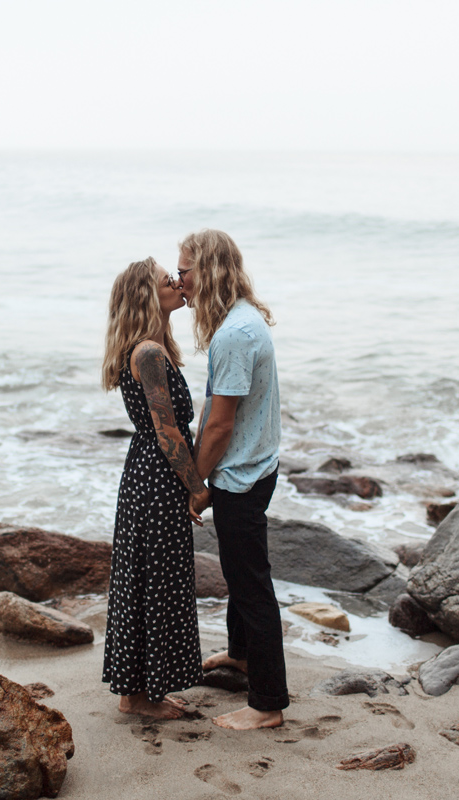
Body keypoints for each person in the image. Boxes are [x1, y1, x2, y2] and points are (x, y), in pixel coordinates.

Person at [178, 229, 287, 730]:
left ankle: (267, 705)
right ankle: (242, 656)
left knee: (249, 585)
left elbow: (220, 424)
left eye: (184, 271)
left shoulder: (234, 335)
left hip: (241, 475)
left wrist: (194, 483)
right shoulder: (241, 321)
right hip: (254, 465)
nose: (180, 281)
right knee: (243, 576)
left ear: (208, 271)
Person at [100, 257, 212, 719]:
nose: (176, 284)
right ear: (148, 295)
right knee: (158, 579)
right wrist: (198, 486)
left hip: (144, 474)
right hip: (157, 477)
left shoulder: (152, 348)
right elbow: (168, 432)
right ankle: (145, 699)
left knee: (145, 577)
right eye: (168, 280)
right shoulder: (148, 352)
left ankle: (136, 692)